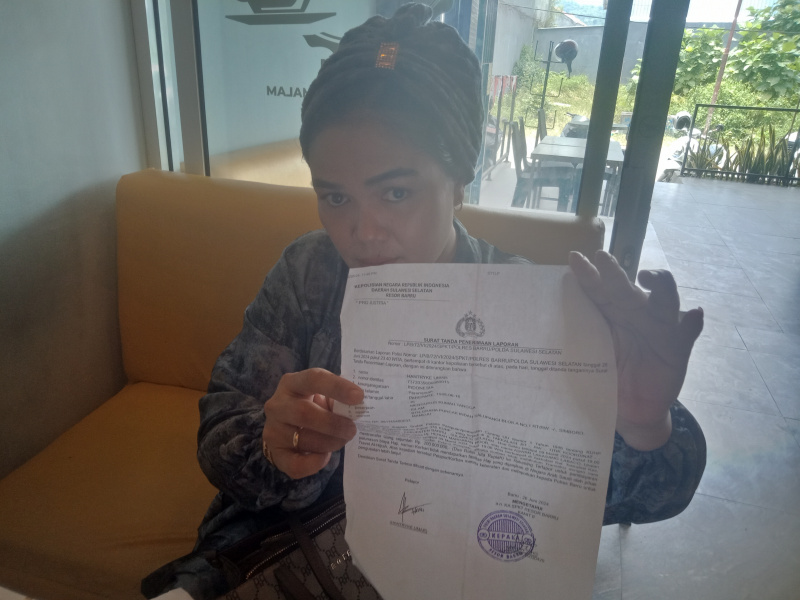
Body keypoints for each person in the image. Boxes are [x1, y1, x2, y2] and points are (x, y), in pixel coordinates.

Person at [142, 4, 706, 599]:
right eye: (336, 197)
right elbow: (221, 427)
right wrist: (276, 447)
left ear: (460, 179)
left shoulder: (527, 307)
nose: (362, 233)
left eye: (395, 192)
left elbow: (620, 498)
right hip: (277, 560)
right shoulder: (310, 273)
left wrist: (642, 424)